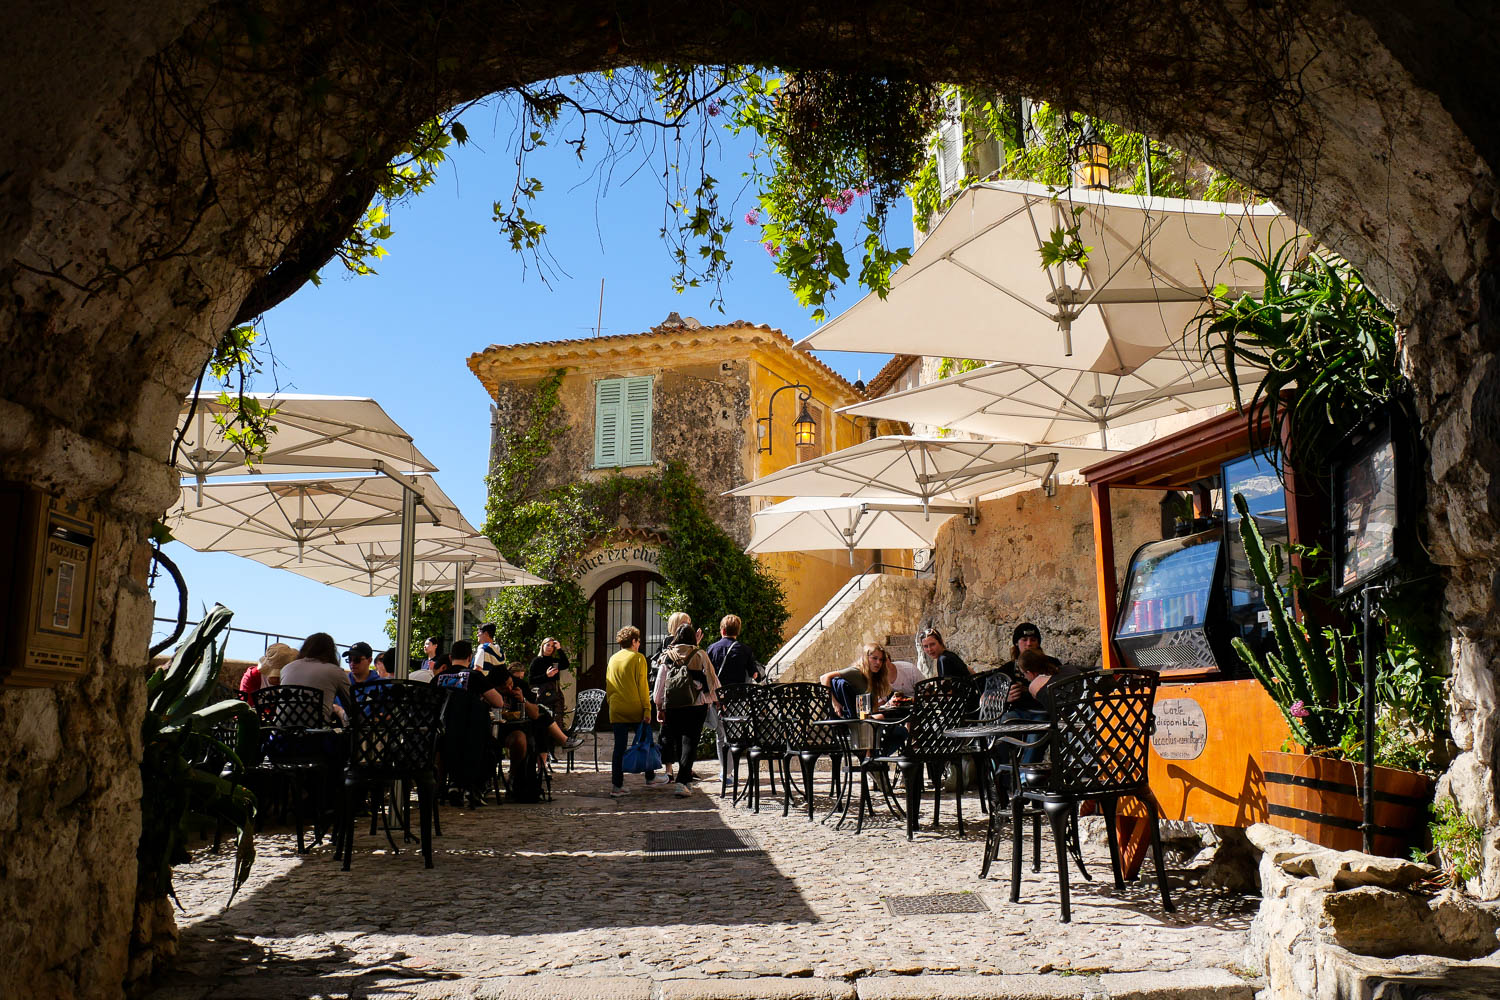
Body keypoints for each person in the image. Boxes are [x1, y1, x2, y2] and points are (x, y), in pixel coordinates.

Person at [654, 622, 721, 796]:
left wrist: (658, 705)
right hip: (696, 706)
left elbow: (660, 683)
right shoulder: (700, 655)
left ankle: (683, 780)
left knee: (676, 741)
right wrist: (713, 700)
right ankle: (683, 782)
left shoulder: (667, 655)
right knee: (689, 743)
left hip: (673, 706)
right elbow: (712, 680)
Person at [606, 625, 665, 797]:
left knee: (619, 748)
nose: (639, 644)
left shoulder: (612, 659)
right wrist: (647, 709)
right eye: (638, 641)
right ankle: (650, 777)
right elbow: (642, 686)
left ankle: (617, 786)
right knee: (646, 742)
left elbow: (609, 684)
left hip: (617, 708)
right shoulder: (638, 658)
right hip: (635, 708)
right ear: (634, 641)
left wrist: (611, 702)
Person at [280, 633, 353, 725]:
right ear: (331, 651)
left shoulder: (286, 668)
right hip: (316, 733)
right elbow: (353, 709)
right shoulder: (335, 671)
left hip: (281, 730)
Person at [820, 643, 896, 719]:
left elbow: (873, 709)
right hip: (855, 721)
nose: (878, 662)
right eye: (874, 658)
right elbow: (824, 678)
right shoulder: (856, 672)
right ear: (866, 658)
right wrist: (834, 703)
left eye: (881, 660)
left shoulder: (874, 677)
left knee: (895, 715)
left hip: (866, 719)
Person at [528, 637, 569, 720]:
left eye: (552, 646)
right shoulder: (537, 661)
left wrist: (559, 649)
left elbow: (566, 664)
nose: (550, 647)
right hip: (542, 694)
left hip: (555, 693)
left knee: (557, 717)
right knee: (544, 717)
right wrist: (546, 676)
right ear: (542, 646)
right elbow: (531, 680)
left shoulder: (554, 661)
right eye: (548, 645)